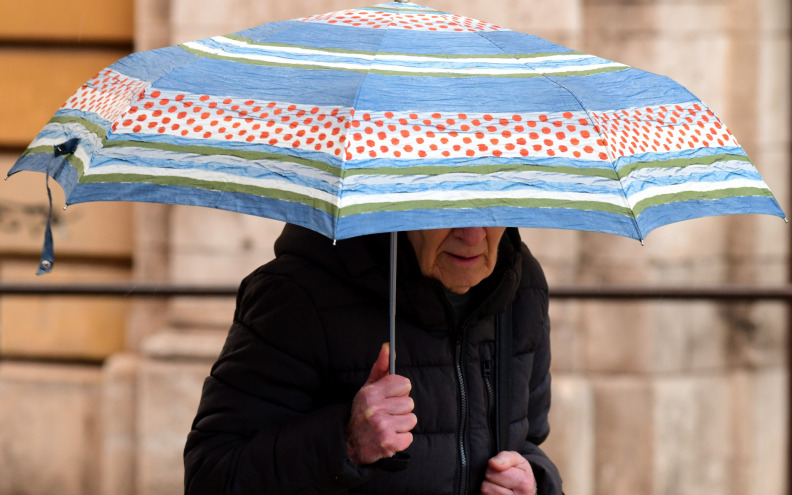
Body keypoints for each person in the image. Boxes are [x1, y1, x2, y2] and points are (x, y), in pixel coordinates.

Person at [184, 224, 563, 494]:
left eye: (490, 211)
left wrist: (533, 482)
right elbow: (211, 476)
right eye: (448, 210)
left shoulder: (521, 287)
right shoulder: (298, 295)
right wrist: (347, 443)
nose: (473, 235)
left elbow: (527, 440)